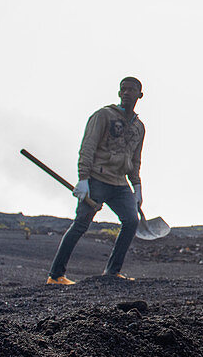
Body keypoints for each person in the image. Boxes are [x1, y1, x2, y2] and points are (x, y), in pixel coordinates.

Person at [46, 77, 146, 284]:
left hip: (120, 184)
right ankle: (56, 276)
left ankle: (112, 272)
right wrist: (83, 179)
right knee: (81, 224)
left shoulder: (139, 128)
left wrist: (137, 186)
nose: (127, 93)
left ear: (140, 95)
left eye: (131, 90)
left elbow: (135, 159)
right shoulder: (103, 116)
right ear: (119, 93)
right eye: (123, 90)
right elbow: (88, 147)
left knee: (131, 221)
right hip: (97, 179)